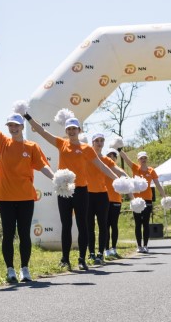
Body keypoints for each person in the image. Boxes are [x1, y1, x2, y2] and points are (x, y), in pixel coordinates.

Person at [27, 114, 119, 271]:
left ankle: (82, 258)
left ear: (79, 130)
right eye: (68, 129)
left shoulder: (87, 149)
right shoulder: (62, 143)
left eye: (73, 129)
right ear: (66, 130)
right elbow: (42, 132)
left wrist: (117, 180)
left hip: (82, 190)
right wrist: (28, 117)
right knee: (66, 224)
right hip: (64, 190)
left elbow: (102, 166)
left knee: (82, 225)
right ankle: (65, 259)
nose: (71, 131)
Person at [0, 99, 54, 284]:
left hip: (25, 198)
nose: (13, 128)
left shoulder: (31, 147)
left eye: (16, 125)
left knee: (24, 234)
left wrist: (56, 178)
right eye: (10, 126)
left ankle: (25, 269)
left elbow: (43, 166)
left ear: (22, 126)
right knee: (7, 234)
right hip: (5, 198)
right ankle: (10, 270)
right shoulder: (3, 143)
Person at [118, 149, 168, 253]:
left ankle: (145, 245)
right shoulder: (135, 168)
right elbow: (126, 159)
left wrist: (164, 196)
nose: (143, 160)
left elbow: (157, 184)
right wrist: (119, 149)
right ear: (138, 160)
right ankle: (139, 246)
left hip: (148, 199)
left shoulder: (151, 170)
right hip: (136, 200)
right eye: (141, 158)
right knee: (138, 223)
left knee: (145, 223)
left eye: (145, 158)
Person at [86, 136, 127, 262]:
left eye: (101, 141)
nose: (99, 143)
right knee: (89, 226)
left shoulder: (106, 160)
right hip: (87, 194)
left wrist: (127, 179)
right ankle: (91, 252)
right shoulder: (86, 156)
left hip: (102, 195)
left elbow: (118, 171)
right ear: (92, 142)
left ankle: (100, 253)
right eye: (96, 141)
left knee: (103, 225)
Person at [103, 149, 125, 258]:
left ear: (116, 158)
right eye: (108, 155)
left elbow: (125, 183)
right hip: (105, 199)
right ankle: (106, 249)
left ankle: (114, 249)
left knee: (114, 225)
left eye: (113, 156)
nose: (111, 157)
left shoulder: (119, 170)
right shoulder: (102, 168)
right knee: (105, 225)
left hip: (116, 200)